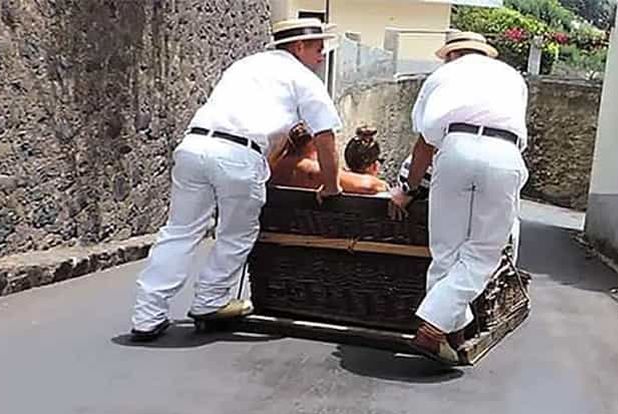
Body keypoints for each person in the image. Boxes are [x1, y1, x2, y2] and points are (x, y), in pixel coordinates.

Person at [129, 18, 344, 342]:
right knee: (236, 235)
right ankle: (210, 300)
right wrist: (331, 186)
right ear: (299, 47)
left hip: (194, 145)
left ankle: (146, 315)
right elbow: (325, 135)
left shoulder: (244, 66)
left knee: (179, 232)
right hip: (238, 155)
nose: (322, 55)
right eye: (318, 48)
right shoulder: (304, 78)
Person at [389, 31, 529, 364]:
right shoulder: (511, 77)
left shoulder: (441, 76)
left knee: (445, 251)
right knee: (482, 254)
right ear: (484, 54)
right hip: (502, 152)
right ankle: (434, 331)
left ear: (452, 55)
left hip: (454, 151)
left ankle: (449, 335)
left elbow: (424, 143)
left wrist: (407, 191)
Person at [269, 124, 388, 195]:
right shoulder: (309, 168)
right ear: (316, 142)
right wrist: (386, 186)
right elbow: (369, 186)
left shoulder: (274, 163)